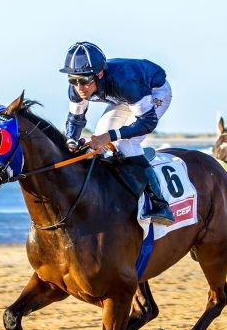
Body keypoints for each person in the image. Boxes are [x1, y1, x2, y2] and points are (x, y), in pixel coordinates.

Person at [61, 41, 174, 225]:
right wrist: (71, 141)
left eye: (84, 81)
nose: (79, 87)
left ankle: (159, 203)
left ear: (99, 74)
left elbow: (147, 122)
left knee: (125, 144)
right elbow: (75, 119)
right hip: (123, 97)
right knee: (99, 140)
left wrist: (110, 136)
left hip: (153, 92)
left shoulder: (126, 81)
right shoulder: (77, 88)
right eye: (73, 80)